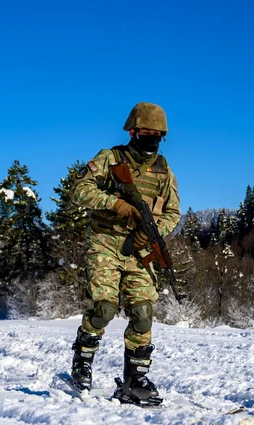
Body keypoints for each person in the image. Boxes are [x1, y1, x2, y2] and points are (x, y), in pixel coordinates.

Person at [70, 102, 181, 404]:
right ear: (133, 131)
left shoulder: (163, 169)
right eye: (146, 132)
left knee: (143, 313)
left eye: (158, 134)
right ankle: (82, 360)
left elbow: (173, 212)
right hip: (105, 241)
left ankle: (135, 380)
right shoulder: (110, 158)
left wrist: (152, 231)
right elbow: (79, 190)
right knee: (105, 308)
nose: (152, 138)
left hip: (139, 248)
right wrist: (117, 205)